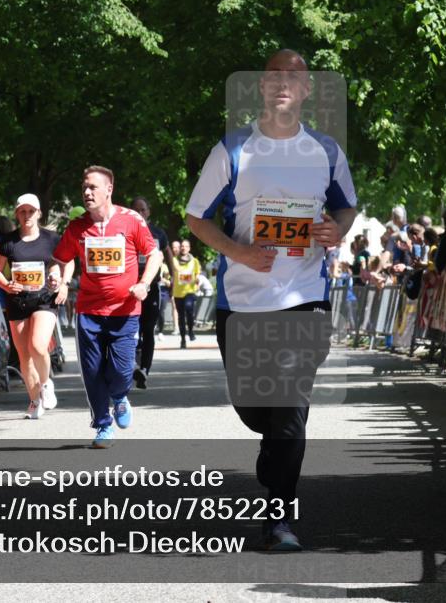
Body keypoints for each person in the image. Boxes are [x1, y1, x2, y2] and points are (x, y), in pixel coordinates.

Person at [185, 49, 357, 551]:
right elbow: (197, 218)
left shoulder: (326, 152)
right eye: (274, 76)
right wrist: (239, 251)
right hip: (242, 302)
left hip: (304, 297)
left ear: (306, 91)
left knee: (290, 406)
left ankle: (279, 517)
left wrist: (333, 231)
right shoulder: (234, 148)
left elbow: (346, 210)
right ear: (261, 87)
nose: (283, 82)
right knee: (255, 407)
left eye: (294, 76)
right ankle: (272, 448)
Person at [53, 166, 161, 447]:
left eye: (93, 187)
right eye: (84, 187)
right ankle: (102, 425)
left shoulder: (131, 220)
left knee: (122, 371)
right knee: (91, 371)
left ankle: (120, 396)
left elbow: (154, 254)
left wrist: (144, 284)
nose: (87, 192)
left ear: (109, 190)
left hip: (124, 311)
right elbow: (63, 258)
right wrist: (60, 277)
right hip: (89, 311)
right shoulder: (77, 227)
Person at [0, 194, 66, 420]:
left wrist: (60, 282)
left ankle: (45, 383)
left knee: (37, 346)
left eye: (31, 211)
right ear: (17, 214)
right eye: (22, 211)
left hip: (44, 299)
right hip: (18, 301)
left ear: (39, 213)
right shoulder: (7, 242)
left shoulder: (51, 239)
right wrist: (6, 284)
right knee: (24, 356)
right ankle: (34, 401)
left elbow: (64, 261)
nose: (26, 216)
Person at [129, 196, 170, 388]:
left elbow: (168, 256)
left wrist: (174, 278)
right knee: (130, 329)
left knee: (148, 329)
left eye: (143, 210)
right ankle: (130, 365)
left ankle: (144, 369)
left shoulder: (158, 233)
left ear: (149, 212)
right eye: (136, 209)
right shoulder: (125, 231)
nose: (140, 213)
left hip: (151, 288)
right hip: (129, 289)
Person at [171, 239, 201, 348]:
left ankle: (191, 330)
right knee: (181, 316)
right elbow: (176, 271)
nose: (183, 248)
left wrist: (197, 280)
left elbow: (197, 274)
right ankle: (183, 339)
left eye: (186, 246)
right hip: (178, 292)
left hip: (190, 291)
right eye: (182, 246)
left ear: (189, 248)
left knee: (189, 309)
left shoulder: (195, 261)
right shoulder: (174, 260)